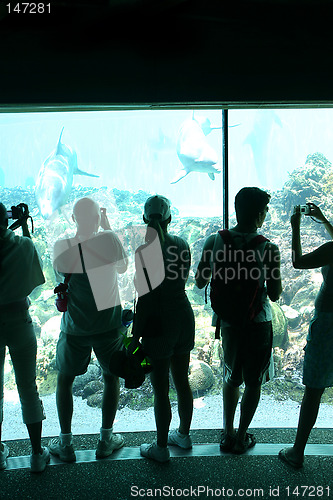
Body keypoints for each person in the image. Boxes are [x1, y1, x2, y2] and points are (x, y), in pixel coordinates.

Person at [195, 187, 282, 453]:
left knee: (232, 377)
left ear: (236, 209)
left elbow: (200, 282)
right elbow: (276, 294)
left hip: (229, 322)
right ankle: (242, 437)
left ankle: (227, 432)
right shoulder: (268, 248)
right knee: (253, 381)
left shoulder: (214, 241)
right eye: (265, 211)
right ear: (258, 214)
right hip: (258, 322)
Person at [49, 197, 128, 461]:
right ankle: (105, 441)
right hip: (108, 325)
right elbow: (123, 267)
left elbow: (60, 276)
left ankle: (66, 444)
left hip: (75, 326)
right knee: (111, 378)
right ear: (98, 218)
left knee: (64, 380)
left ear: (73, 218)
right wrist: (106, 229)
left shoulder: (62, 246)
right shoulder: (108, 240)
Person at [132, 195, 195, 463]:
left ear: (145, 219)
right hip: (183, 316)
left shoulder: (143, 252)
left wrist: (134, 335)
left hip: (158, 324)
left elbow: (145, 297)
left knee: (161, 390)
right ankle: (183, 434)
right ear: (169, 218)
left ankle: (160, 447)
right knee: (182, 382)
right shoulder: (182, 245)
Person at [279, 203, 333, 468]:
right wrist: (323, 220)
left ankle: (297, 452)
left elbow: (299, 262)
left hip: (328, 326)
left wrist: (295, 227)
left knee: (313, 390)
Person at [0, 203, 49, 472]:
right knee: (27, 388)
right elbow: (37, 277)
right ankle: (36, 453)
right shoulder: (22, 246)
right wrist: (25, 230)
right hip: (19, 319)